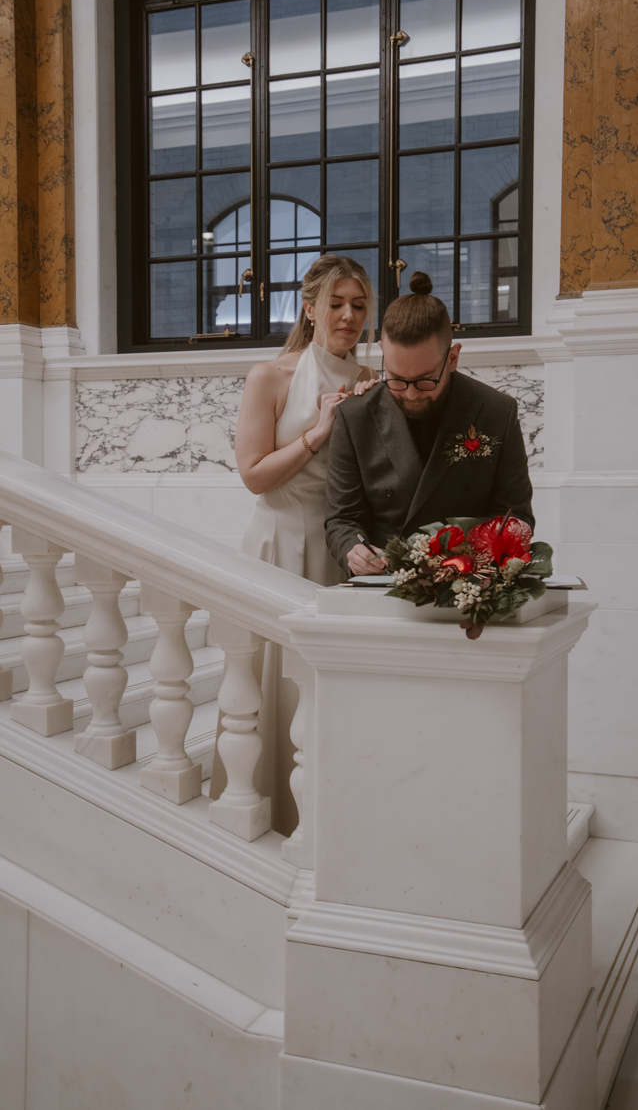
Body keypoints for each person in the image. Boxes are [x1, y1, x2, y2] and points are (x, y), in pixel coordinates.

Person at [209, 255, 377, 827]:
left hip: (339, 550)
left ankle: (330, 812)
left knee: (327, 685)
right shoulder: (270, 376)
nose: (348, 316)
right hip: (277, 543)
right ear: (309, 309)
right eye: (336, 304)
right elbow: (254, 475)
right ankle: (265, 805)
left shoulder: (370, 380)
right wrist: (319, 432)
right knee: (272, 683)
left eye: (359, 305)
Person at [324, 270, 534, 635]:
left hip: (469, 595)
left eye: (425, 381)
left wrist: (474, 561)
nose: (410, 394)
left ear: (452, 358)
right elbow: (342, 518)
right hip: (382, 596)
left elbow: (515, 516)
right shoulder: (355, 416)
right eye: (396, 379)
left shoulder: (496, 411)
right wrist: (354, 550)